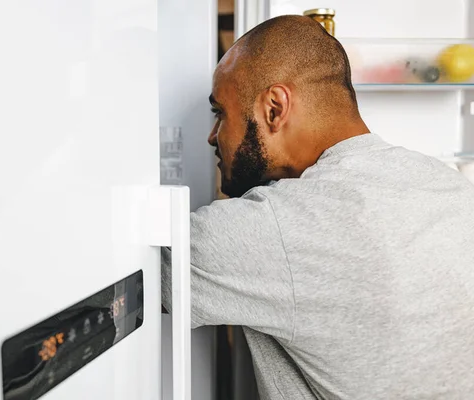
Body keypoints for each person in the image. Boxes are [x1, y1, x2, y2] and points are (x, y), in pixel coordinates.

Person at [161, 14, 474, 400]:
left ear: (275, 108)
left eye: (220, 113)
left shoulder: (278, 226)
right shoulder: (451, 187)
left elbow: (126, 268)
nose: (212, 136)